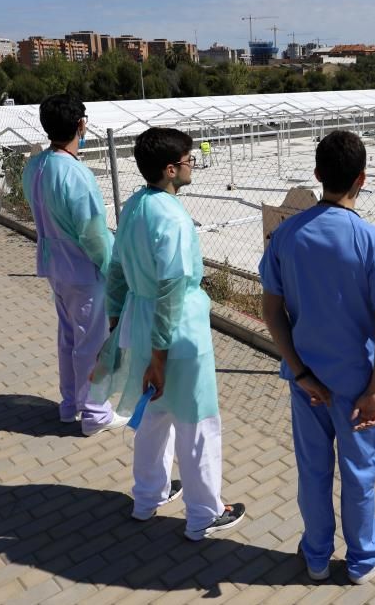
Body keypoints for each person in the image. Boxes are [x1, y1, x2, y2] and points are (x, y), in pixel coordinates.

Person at [258, 130, 375, 585]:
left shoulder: (285, 236)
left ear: (318, 175)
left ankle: (317, 556)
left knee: (313, 470)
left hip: (308, 383)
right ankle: (363, 558)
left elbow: (272, 310)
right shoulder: (372, 241)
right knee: (358, 473)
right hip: (358, 384)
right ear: (362, 178)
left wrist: (300, 371)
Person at [94, 127, 245, 540]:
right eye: (188, 160)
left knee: (154, 415)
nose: (191, 164)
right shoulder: (173, 217)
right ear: (170, 169)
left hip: (138, 321)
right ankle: (204, 513)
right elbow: (170, 289)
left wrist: (114, 319)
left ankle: (148, 497)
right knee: (195, 420)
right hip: (177, 333)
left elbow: (118, 269)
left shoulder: (134, 208)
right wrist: (160, 355)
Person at [22, 94, 126, 436]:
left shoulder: (36, 166)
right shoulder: (75, 174)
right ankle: (96, 411)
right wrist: (112, 271)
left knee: (69, 337)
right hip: (82, 269)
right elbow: (93, 233)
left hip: (54, 264)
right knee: (92, 342)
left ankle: (70, 404)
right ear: (81, 125)